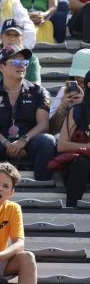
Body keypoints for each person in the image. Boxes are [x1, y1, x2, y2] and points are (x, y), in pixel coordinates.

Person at [0, 44, 56, 181]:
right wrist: (8, 144)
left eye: (24, 62)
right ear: (1, 67)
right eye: (16, 62)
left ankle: (43, 184)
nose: (22, 66)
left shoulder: (39, 91)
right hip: (0, 142)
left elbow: (43, 125)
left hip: (29, 142)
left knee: (48, 140)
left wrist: (22, 141)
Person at [54, 70, 90, 207]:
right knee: (81, 163)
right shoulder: (77, 110)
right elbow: (61, 145)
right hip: (80, 164)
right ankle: (71, 208)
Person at [0, 19, 41, 89]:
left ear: (22, 38)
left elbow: (36, 90)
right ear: (1, 37)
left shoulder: (32, 59)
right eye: (8, 34)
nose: (12, 38)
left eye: (16, 35)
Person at [49, 49, 89, 135]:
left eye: (84, 77)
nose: (80, 80)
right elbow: (51, 131)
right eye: (77, 77)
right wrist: (62, 107)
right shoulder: (66, 91)